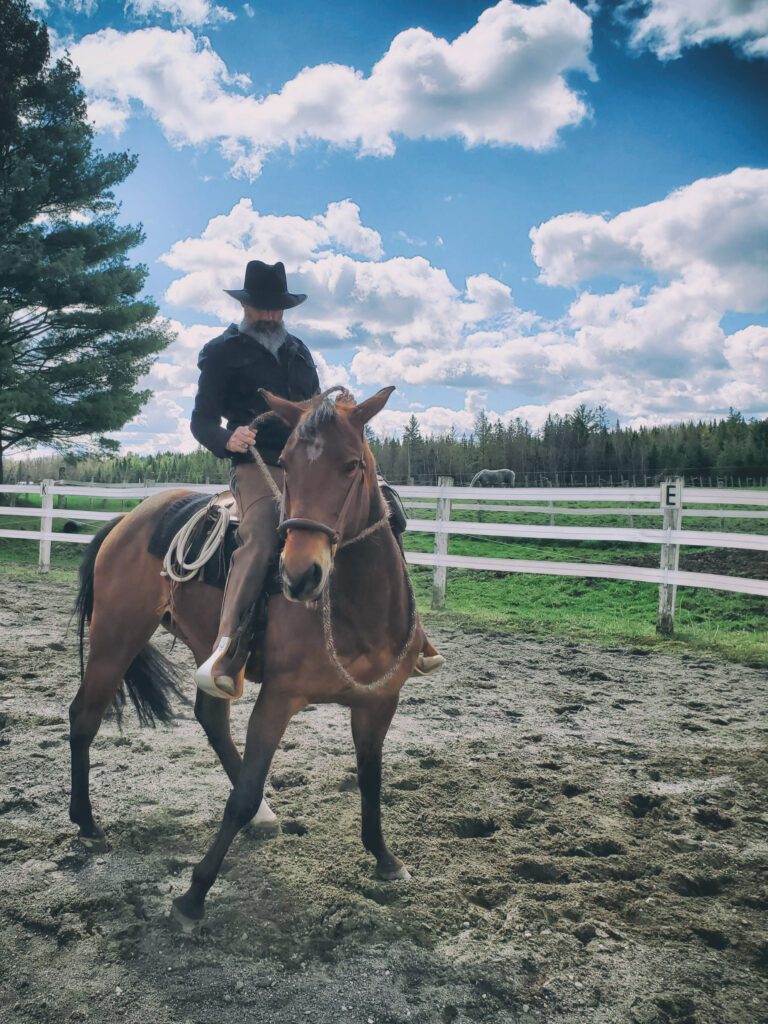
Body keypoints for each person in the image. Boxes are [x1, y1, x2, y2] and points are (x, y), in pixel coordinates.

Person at [191, 259, 444, 700]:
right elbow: (201, 420)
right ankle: (227, 649)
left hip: (310, 463)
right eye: (261, 308)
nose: (269, 315)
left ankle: (413, 632)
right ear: (246, 305)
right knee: (265, 528)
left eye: (276, 308)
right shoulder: (221, 352)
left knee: (385, 509)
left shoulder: (299, 351)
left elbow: (314, 413)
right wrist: (227, 438)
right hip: (256, 461)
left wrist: (340, 409)